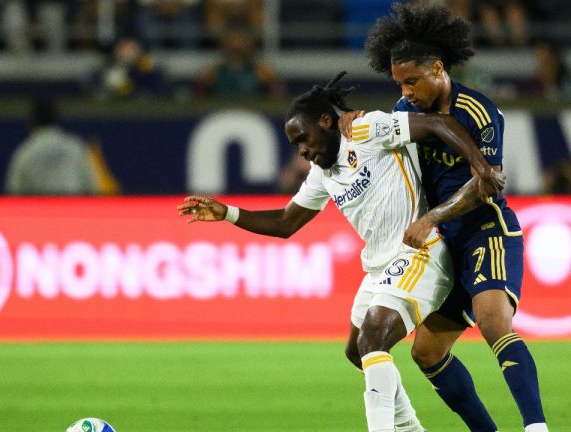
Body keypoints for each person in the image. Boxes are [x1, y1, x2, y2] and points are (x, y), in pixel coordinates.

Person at [179, 72, 503, 432]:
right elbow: (286, 222)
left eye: (303, 138)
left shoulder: (365, 130)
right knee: (357, 352)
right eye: (295, 145)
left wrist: (482, 167)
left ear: (325, 121)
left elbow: (439, 123)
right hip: (380, 266)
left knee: (373, 337)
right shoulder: (322, 174)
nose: (302, 151)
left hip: (419, 251)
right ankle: (411, 428)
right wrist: (228, 213)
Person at [362, 3, 548, 431]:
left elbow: (487, 183)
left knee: (493, 322)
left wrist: (431, 217)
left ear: (438, 69)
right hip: (442, 245)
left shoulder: (477, 110)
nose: (406, 91)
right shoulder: (404, 112)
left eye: (412, 80)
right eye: (399, 83)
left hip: (485, 230)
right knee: (426, 352)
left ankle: (536, 427)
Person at [5, 99, 97, 195]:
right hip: (71, 203)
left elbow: (13, 193)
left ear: (32, 121)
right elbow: (91, 187)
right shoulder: (75, 147)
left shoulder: (25, 153)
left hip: (40, 204)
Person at [194, 21, 283, 99]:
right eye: (232, 39)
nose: (237, 44)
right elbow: (197, 101)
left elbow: (278, 100)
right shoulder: (211, 73)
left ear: (250, 43)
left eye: (242, 40)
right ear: (224, 43)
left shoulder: (264, 72)